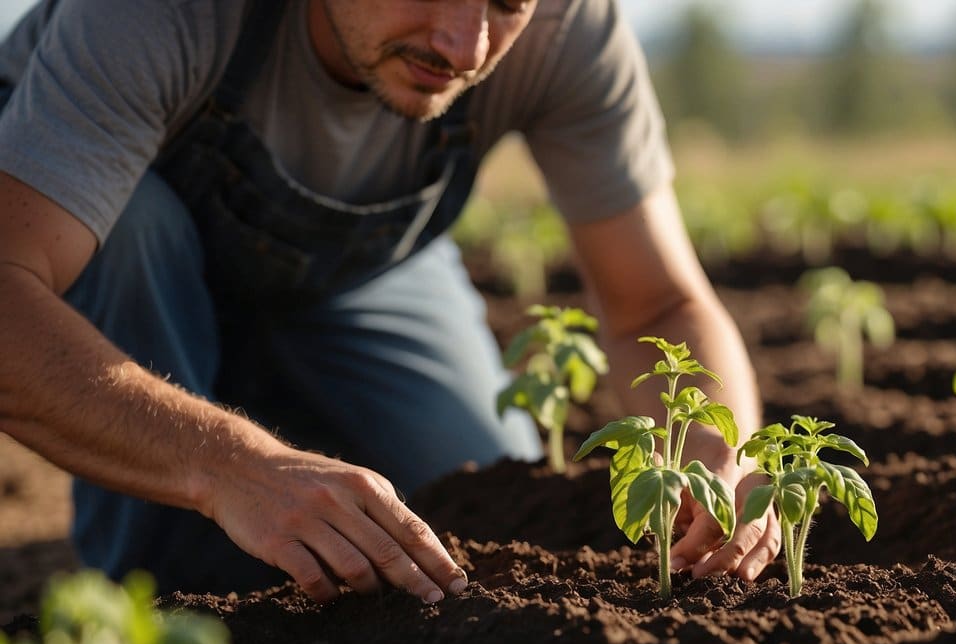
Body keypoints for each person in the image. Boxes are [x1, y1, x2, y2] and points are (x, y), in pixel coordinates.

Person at [0, 0, 778, 603]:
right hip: (107, 247)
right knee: (139, 227)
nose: (463, 46)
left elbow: (658, 305)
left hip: (355, 272)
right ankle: (160, 575)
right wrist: (234, 466)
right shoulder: (160, 15)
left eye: (506, 3)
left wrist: (722, 448)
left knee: (468, 509)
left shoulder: (570, 29)